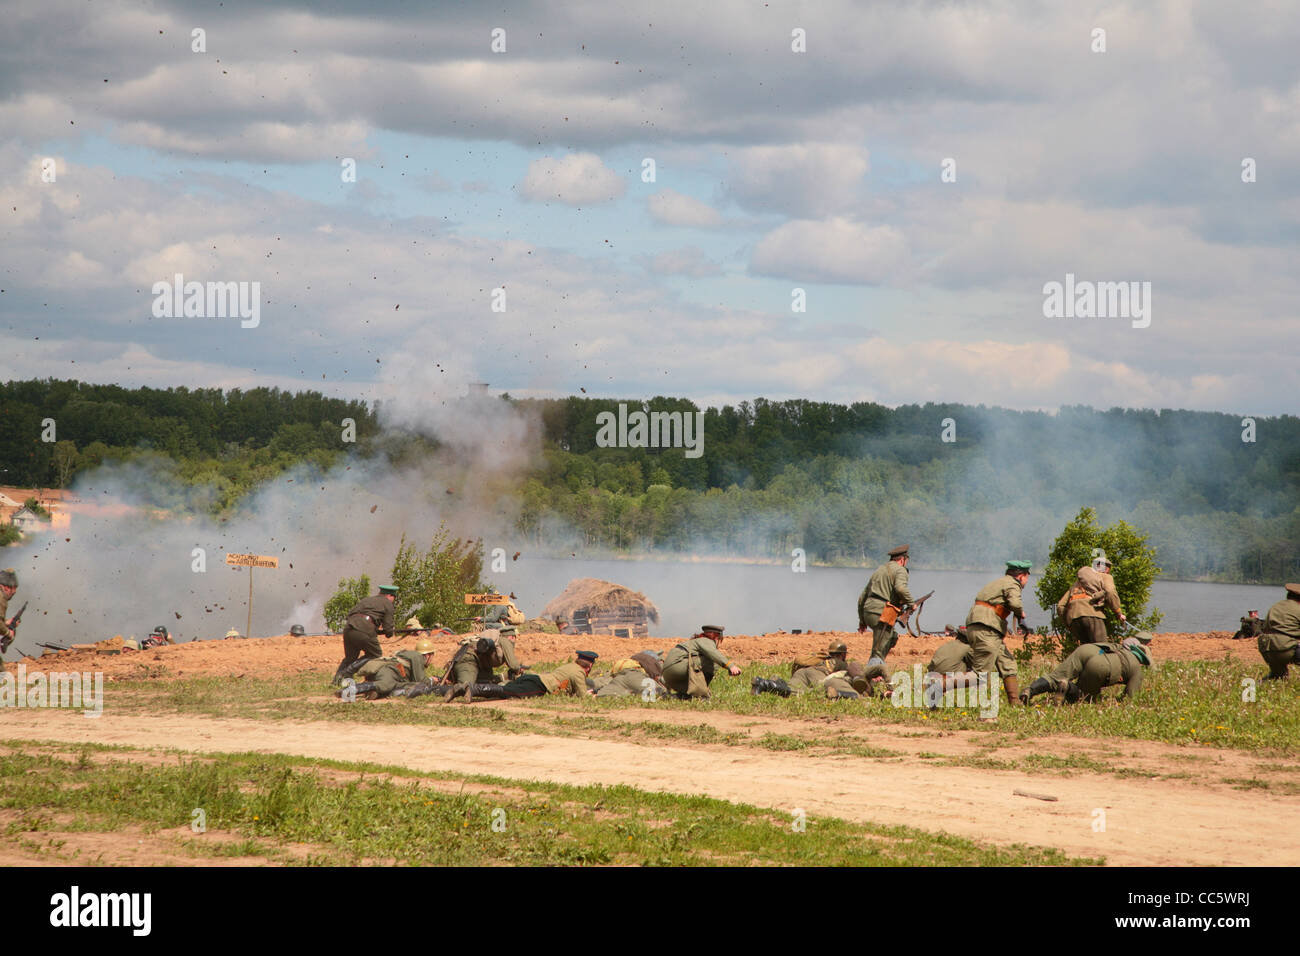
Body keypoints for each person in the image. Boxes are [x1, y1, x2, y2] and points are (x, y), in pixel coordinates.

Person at [964, 561, 1032, 707]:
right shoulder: (1013, 584)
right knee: (980, 675)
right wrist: (1021, 613)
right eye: (1027, 578)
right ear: (1021, 576)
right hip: (986, 628)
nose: (1026, 582)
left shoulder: (999, 582)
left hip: (986, 628)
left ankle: (1015, 703)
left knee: (1007, 664)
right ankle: (939, 685)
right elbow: (1015, 603)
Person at [1021, 636, 1152, 703]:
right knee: (1084, 697)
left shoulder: (1120, 647)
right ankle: (1067, 687)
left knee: (1055, 676)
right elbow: (1129, 697)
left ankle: (1030, 690)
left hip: (1088, 648)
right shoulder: (1136, 668)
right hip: (1100, 662)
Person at [751, 641, 888, 700]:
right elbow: (853, 671)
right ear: (843, 654)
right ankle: (771, 684)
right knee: (809, 694)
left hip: (802, 672)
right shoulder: (840, 662)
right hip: (817, 675)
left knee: (790, 690)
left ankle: (766, 683)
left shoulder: (819, 659)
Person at [444, 650, 598, 702]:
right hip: (539, 686)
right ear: (589, 666)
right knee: (505, 693)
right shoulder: (579, 672)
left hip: (533, 678)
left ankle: (461, 689)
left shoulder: (570, 666)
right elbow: (582, 696)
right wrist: (592, 696)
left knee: (501, 690)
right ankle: (473, 688)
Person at [332, 584, 398, 684]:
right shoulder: (387, 603)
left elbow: (350, 614)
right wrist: (389, 632)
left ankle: (337, 680)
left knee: (350, 657)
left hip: (349, 628)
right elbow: (388, 630)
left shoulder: (366, 600)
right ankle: (348, 672)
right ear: (390, 596)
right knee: (375, 654)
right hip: (364, 628)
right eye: (394, 597)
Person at [857, 546, 914, 662]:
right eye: (906, 561)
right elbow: (900, 589)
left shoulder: (879, 570)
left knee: (891, 637)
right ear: (902, 560)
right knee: (878, 650)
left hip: (868, 612)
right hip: (882, 613)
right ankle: (874, 673)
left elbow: (862, 598)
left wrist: (862, 621)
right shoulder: (900, 570)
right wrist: (912, 603)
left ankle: (876, 667)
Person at [337, 639, 438, 700]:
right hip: (388, 671)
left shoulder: (411, 655)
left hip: (391, 675)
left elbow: (413, 681)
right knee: (385, 685)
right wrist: (432, 680)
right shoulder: (417, 656)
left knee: (408, 686)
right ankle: (348, 690)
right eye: (432, 655)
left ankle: (375, 692)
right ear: (428, 655)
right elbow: (420, 679)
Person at [1054, 559, 1125, 645]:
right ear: (1106, 569)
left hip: (1074, 619)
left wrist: (1069, 623)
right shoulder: (1105, 576)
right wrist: (1118, 613)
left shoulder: (1077, 582)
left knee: (1087, 650)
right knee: (1102, 648)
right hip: (1092, 615)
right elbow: (1110, 592)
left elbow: (1060, 606)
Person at [661, 625, 742, 699]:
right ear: (717, 637)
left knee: (704, 662)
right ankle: (701, 693)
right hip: (676, 668)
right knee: (713, 663)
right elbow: (713, 653)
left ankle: (682, 696)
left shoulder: (696, 641)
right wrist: (730, 666)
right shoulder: (705, 641)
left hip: (668, 673)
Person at [1258, 584, 1300, 679]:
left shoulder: (1276, 606)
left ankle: (1255, 687)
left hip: (1266, 649)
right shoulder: (1298, 609)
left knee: (1278, 676)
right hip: (1284, 648)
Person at [593, 650, 667, 698]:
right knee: (661, 693)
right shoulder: (651, 666)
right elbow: (658, 686)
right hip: (632, 674)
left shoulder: (635, 661)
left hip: (618, 674)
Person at [0, 568, 19, 657]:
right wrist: (8, 633)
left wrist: (6, 623)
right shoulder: (1, 598)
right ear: (6, 587)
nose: (14, 592)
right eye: (13, 588)